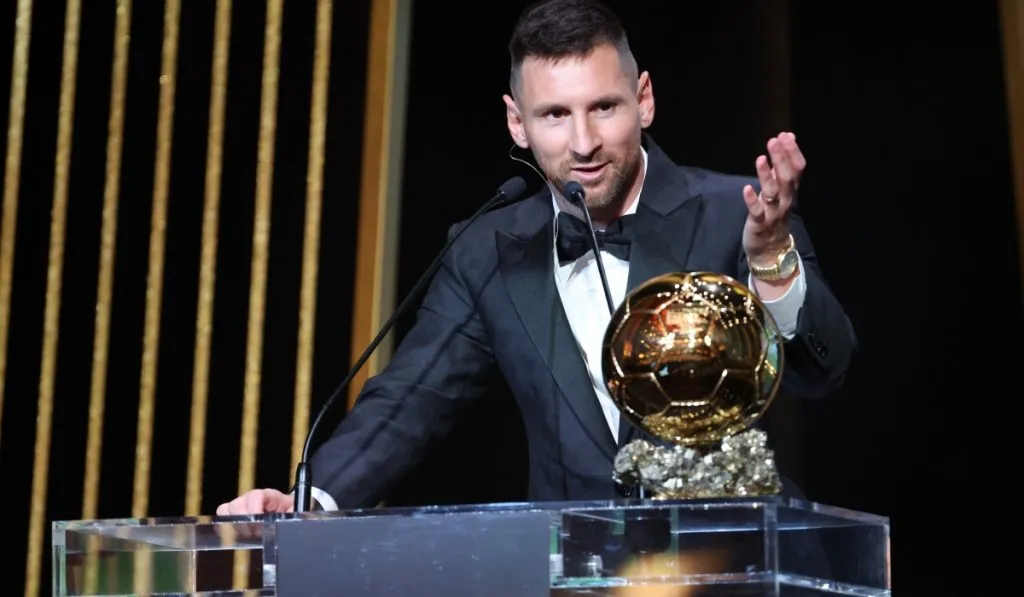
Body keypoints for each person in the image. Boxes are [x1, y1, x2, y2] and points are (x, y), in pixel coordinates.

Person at [217, 0, 855, 517]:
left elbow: (822, 370)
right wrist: (307, 502)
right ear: (517, 124)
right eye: (554, 115)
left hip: (734, 563)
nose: (583, 142)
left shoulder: (734, 212)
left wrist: (772, 258)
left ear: (645, 99)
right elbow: (410, 396)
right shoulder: (487, 249)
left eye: (603, 107)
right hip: (571, 571)